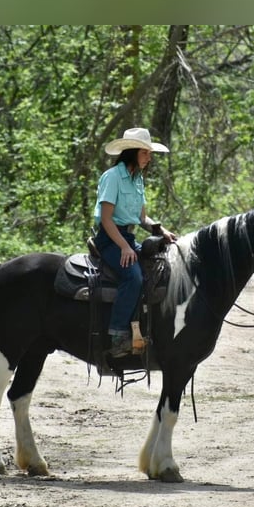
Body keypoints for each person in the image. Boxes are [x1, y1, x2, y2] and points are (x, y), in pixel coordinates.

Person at [93, 127, 177, 358]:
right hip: (110, 238)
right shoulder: (112, 177)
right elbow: (107, 220)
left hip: (127, 236)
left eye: (149, 154)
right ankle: (118, 336)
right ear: (132, 152)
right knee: (133, 277)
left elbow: (142, 218)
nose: (149, 158)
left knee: (159, 268)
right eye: (145, 153)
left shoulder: (137, 179)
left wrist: (163, 231)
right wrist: (124, 247)